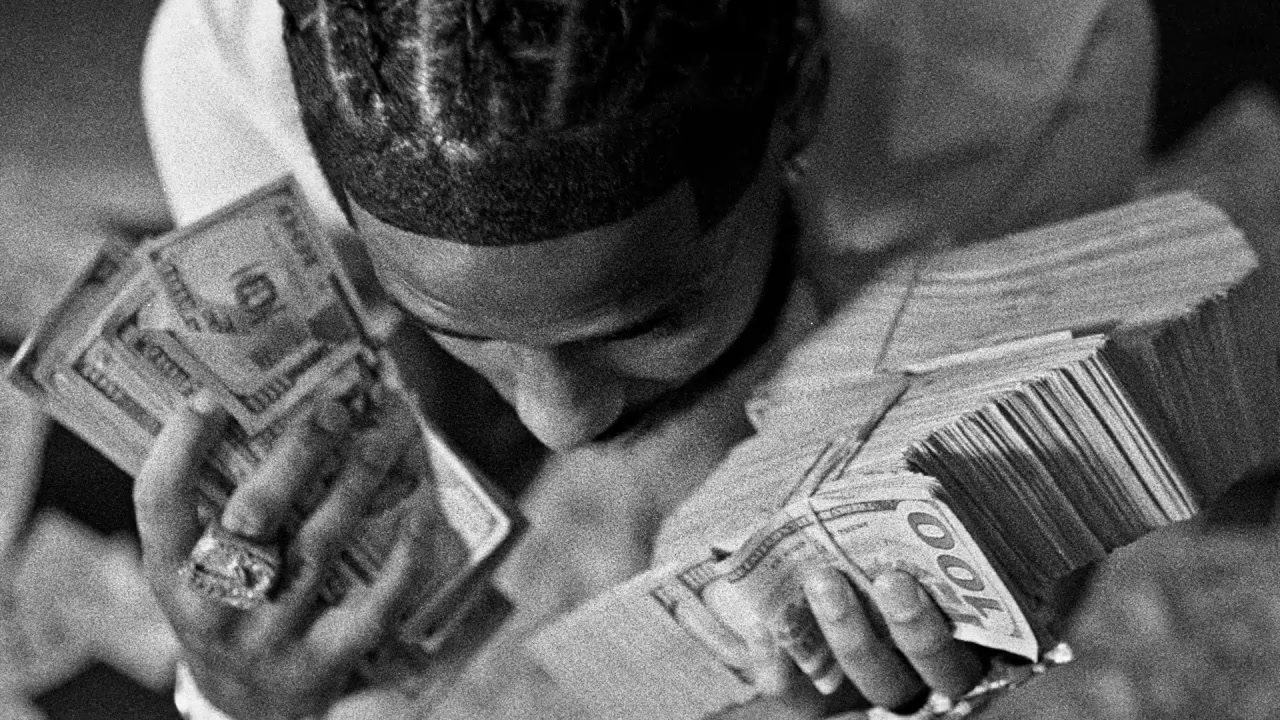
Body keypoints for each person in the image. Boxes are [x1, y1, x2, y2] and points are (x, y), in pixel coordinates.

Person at [136, 0, 1155, 717]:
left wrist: (991, 590)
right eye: (462, 324)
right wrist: (231, 702)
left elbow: (1036, 430)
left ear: (801, 91)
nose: (557, 425)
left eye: (644, 320)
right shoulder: (223, 69)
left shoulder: (1046, 69)